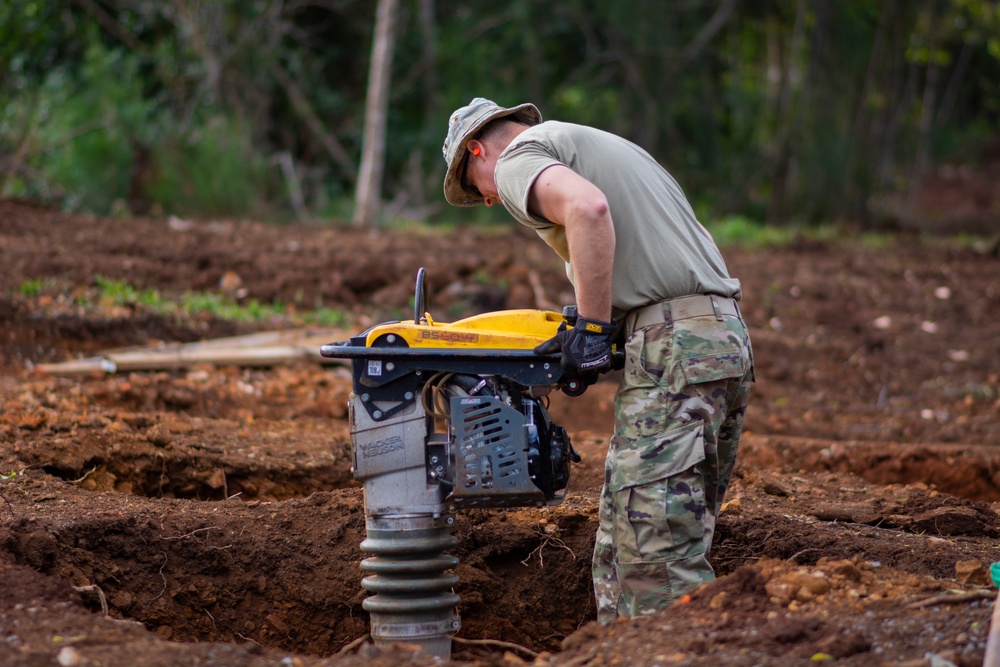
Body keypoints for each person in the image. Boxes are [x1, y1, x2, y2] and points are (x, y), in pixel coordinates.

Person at [441, 98, 754, 623]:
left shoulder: (519, 156)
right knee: (625, 542)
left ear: (477, 150)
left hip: (674, 346)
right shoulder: (603, 145)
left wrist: (591, 328)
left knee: (656, 556)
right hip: (716, 339)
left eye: (477, 189)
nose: (490, 201)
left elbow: (588, 210)